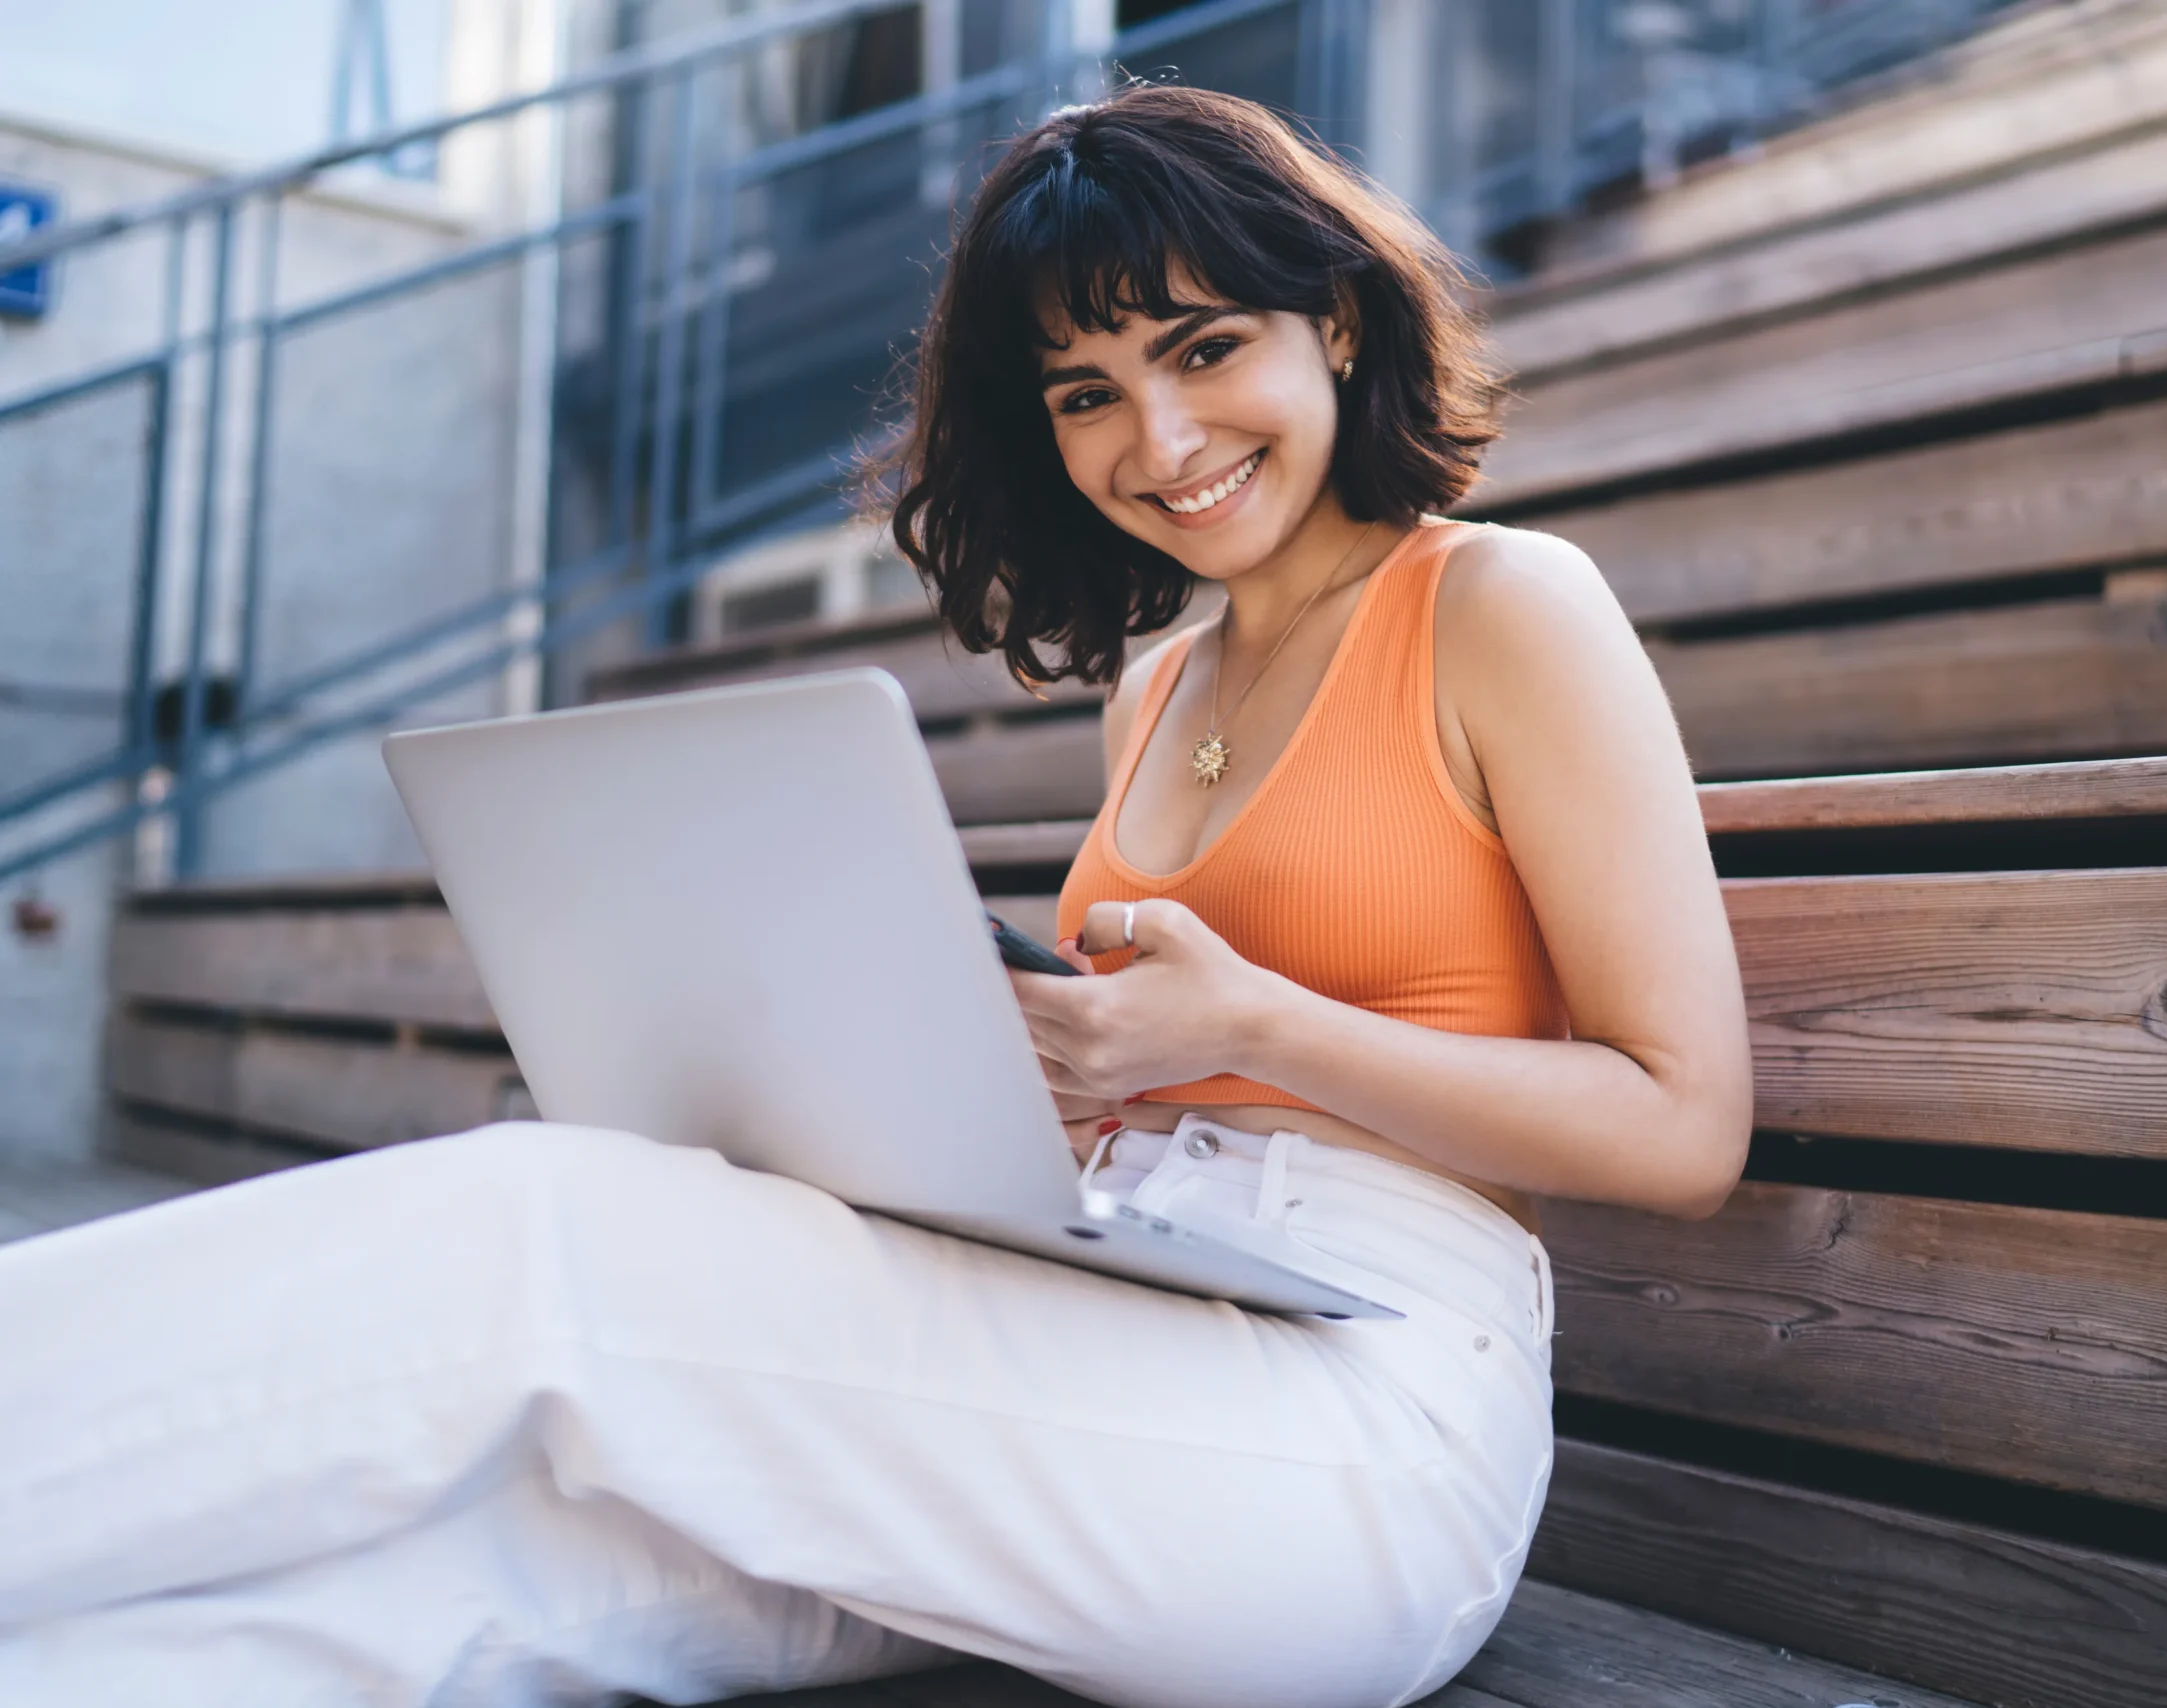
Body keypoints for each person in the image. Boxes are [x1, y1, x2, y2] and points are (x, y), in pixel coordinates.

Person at [0, 85, 1749, 1708]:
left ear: (1339, 324)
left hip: (1364, 1429)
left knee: (543, 1235)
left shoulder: (1501, 605)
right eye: (1085, 393)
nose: (1160, 437)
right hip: (1129, 1322)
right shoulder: (1161, 688)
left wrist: (1250, 1031)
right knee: (478, 1573)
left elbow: (1684, 1131)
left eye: (1207, 347)